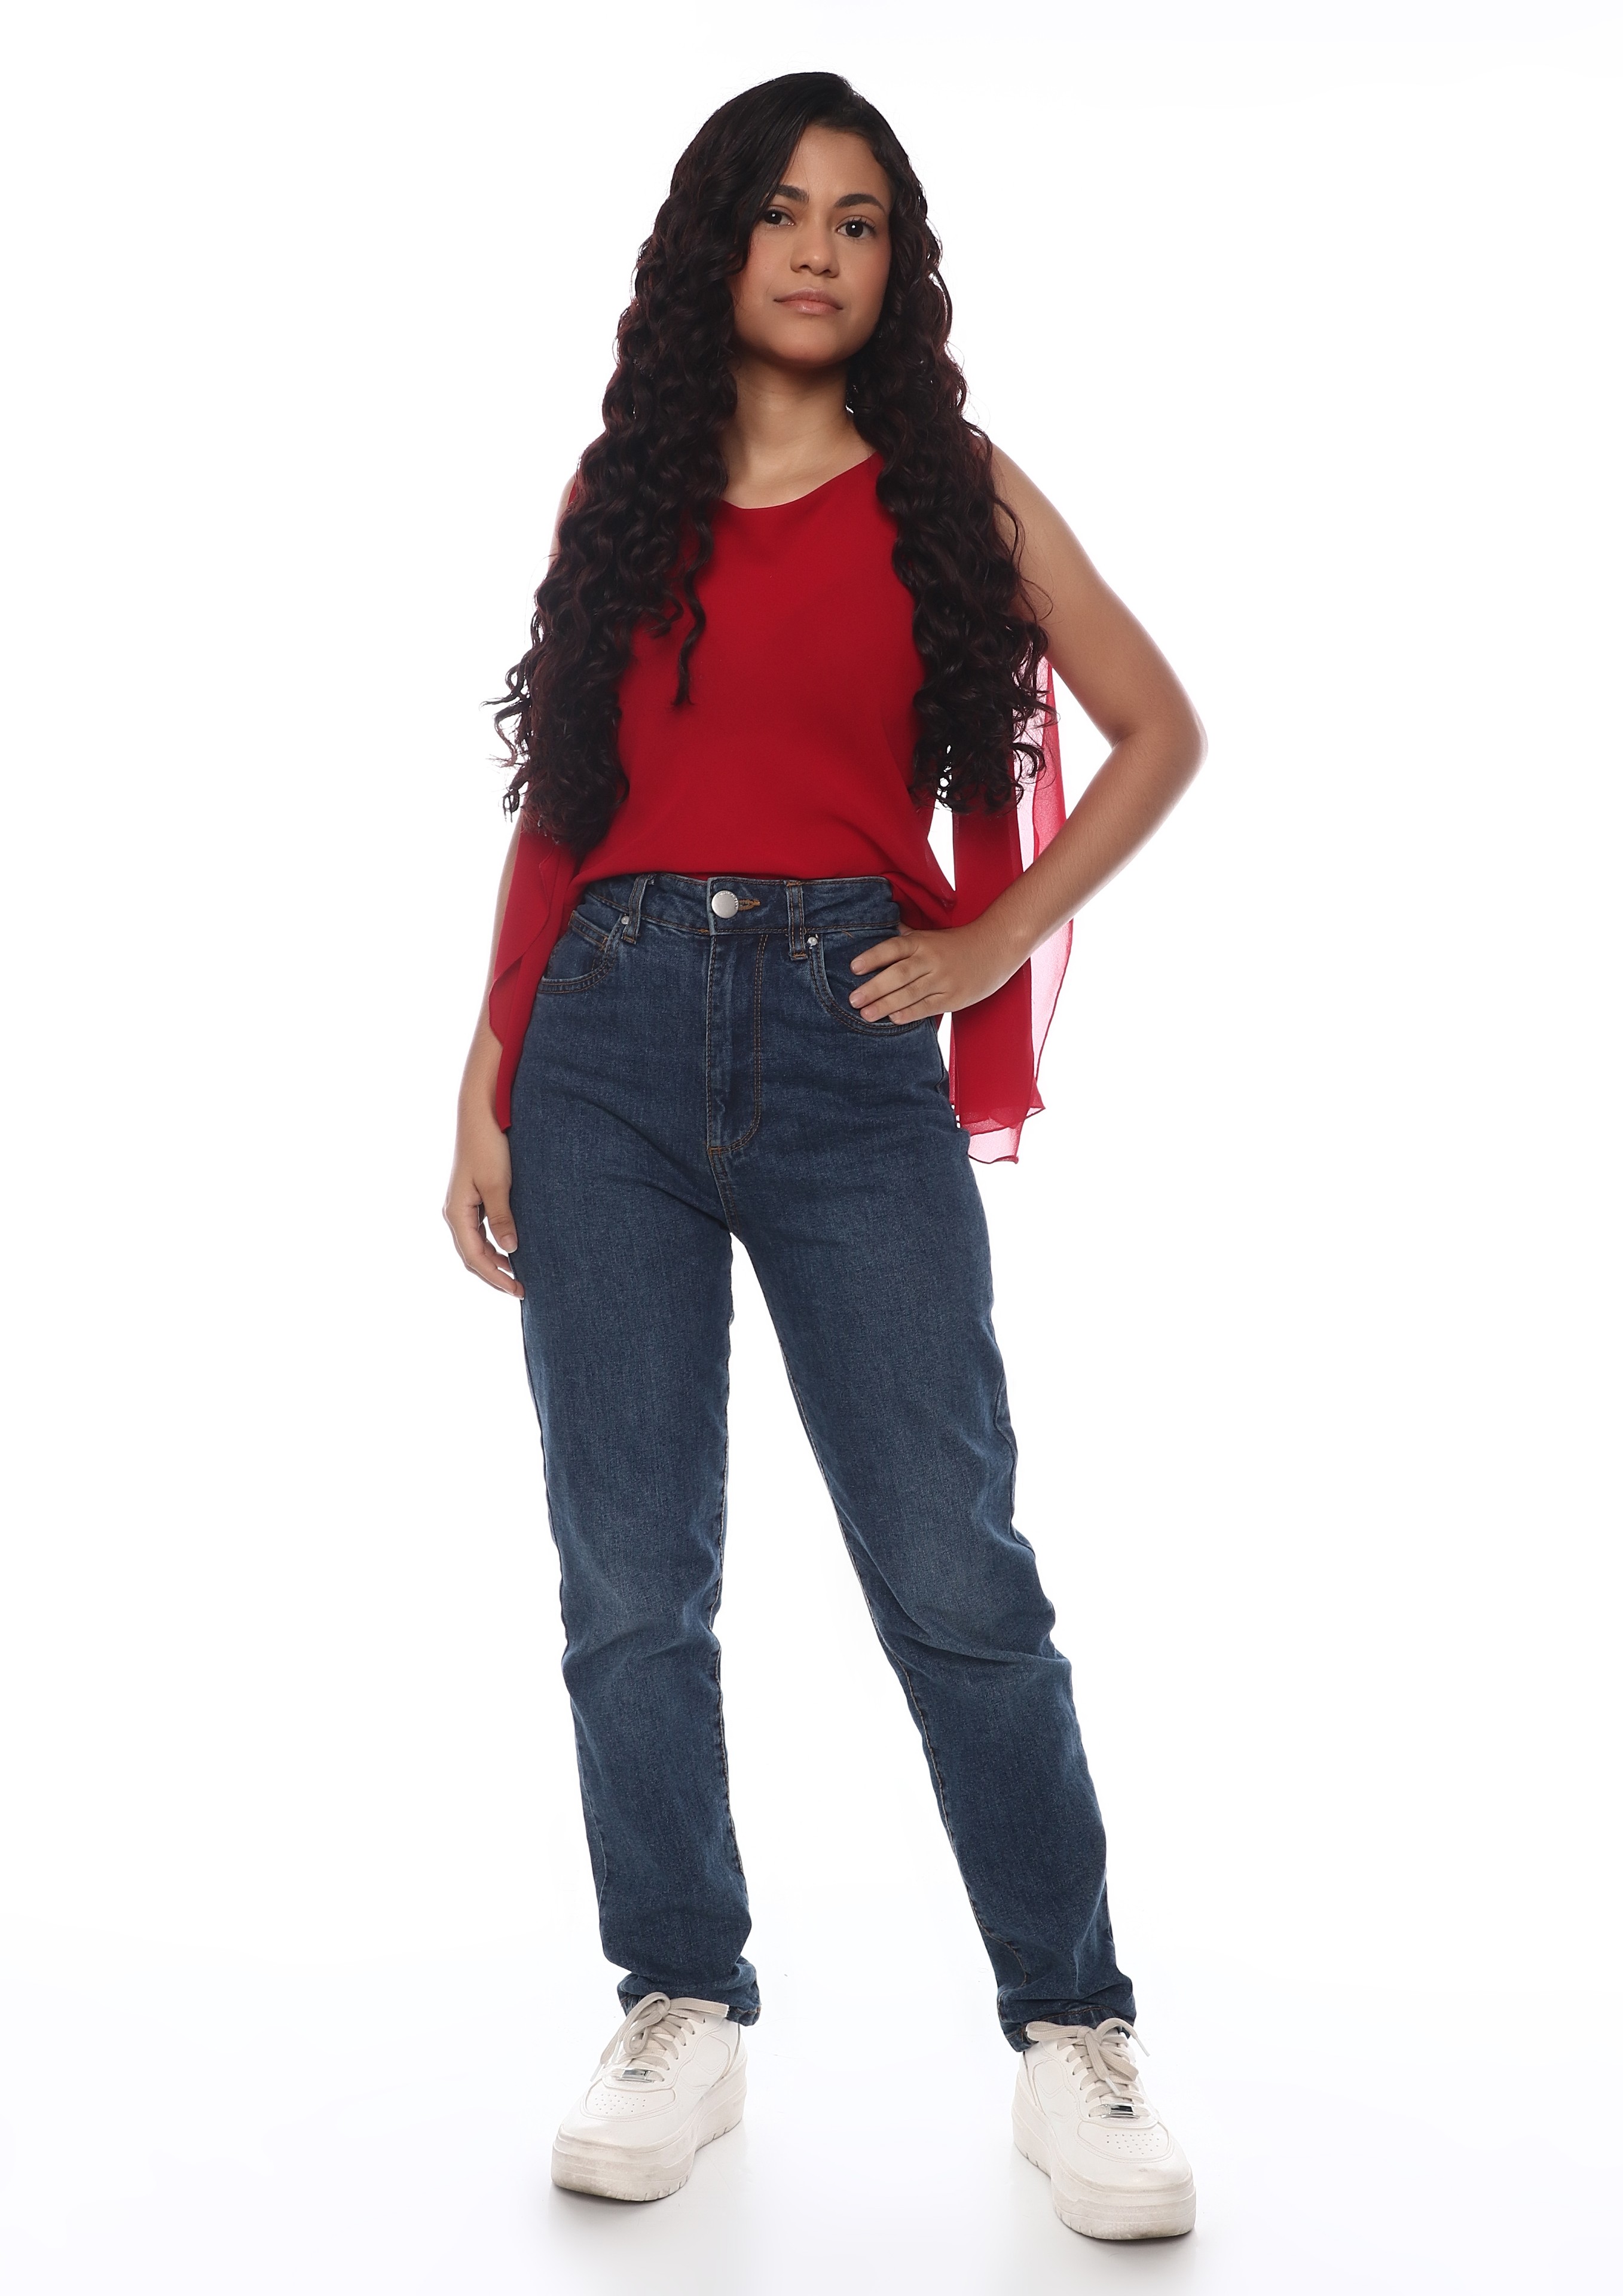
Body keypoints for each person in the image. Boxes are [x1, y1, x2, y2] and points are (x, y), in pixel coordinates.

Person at [444, 71, 1206, 2243]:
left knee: (953, 1564)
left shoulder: (953, 491)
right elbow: (564, 806)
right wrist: (484, 1068)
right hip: (598, 1043)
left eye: (857, 220)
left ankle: (1072, 2032)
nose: (814, 249)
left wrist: (987, 940)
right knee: (627, 1572)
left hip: (846, 1039)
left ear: (896, 264)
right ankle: (678, 2006)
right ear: (718, 242)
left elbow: (1157, 729)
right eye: (780, 211)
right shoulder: (623, 491)